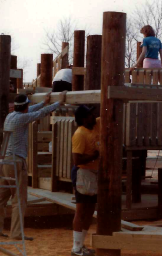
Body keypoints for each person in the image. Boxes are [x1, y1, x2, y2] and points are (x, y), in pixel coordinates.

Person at [0, 91, 66, 240]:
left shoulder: (10, 117)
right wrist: (58, 103)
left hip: (5, 161)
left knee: (2, 197)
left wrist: (44, 102)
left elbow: (32, 111)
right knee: (19, 199)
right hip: (16, 161)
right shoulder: (22, 118)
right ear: (24, 107)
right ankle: (16, 233)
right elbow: (41, 113)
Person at [71, 105, 100, 256]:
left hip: (93, 173)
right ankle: (76, 248)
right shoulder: (80, 134)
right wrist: (94, 156)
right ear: (83, 119)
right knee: (81, 211)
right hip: (83, 172)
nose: (93, 116)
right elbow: (77, 160)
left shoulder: (95, 126)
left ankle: (81, 245)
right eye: (89, 114)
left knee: (89, 211)